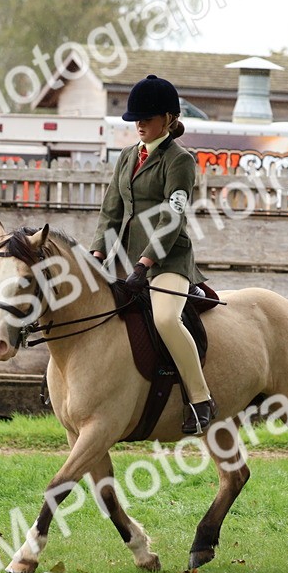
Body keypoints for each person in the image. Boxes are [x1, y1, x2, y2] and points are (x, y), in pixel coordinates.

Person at [89, 74, 217, 434]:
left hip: (168, 260)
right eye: (135, 120)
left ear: (168, 119)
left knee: (164, 319)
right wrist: (97, 252)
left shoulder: (180, 160)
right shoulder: (127, 157)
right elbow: (111, 210)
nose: (139, 125)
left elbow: (172, 215)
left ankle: (201, 399)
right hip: (127, 259)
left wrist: (146, 262)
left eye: (146, 118)